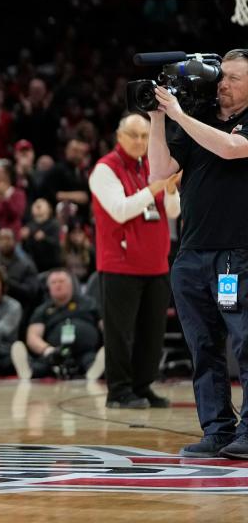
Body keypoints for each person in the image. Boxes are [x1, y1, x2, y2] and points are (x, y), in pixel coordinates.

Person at [149, 49, 248, 459]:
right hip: (192, 254)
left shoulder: (224, 124)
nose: (223, 83)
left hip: (237, 252)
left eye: (235, 79)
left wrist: (179, 116)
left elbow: (230, 148)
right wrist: (157, 119)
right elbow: (158, 172)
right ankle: (218, 430)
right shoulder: (199, 118)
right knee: (203, 345)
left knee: (245, 344)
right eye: (222, 76)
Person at [90, 113, 181, 409]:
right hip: (120, 264)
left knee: (151, 333)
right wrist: (154, 188)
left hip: (156, 263)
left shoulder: (152, 165)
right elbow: (120, 209)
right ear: (119, 137)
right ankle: (118, 391)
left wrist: (169, 190)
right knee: (120, 332)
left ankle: (143, 386)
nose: (141, 142)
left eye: (145, 136)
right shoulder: (104, 169)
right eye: (134, 135)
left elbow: (173, 212)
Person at [11, 269, 105, 381]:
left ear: (71, 285)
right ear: (48, 287)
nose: (58, 285)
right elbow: (32, 337)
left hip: (86, 350)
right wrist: (47, 350)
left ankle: (95, 370)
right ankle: (28, 370)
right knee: (45, 364)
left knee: (90, 360)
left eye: (61, 281)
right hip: (56, 352)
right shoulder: (43, 310)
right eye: (54, 282)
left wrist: (110, 345)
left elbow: (105, 326)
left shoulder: (89, 303)